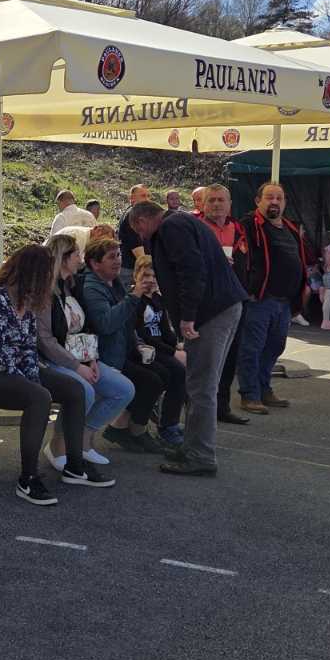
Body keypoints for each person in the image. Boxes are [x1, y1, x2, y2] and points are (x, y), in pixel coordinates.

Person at [0, 245, 91, 506]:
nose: (49, 280)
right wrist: (30, 382)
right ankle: (28, 478)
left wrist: (31, 375)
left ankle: (75, 466)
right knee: (38, 397)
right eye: (46, 274)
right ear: (32, 274)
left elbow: (28, 348)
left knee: (73, 389)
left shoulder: (27, 302)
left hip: (12, 368)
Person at [129, 200, 248, 476]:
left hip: (210, 312)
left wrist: (188, 316)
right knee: (200, 383)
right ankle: (194, 446)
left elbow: (191, 270)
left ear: (142, 221)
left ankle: (201, 455)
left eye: (139, 231)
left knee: (201, 386)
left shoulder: (170, 228)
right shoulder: (183, 221)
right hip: (224, 306)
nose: (142, 237)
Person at [37, 235, 130, 482]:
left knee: (123, 389)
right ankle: (58, 446)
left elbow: (85, 328)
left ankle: (83, 439)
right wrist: (77, 366)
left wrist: (91, 359)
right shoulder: (45, 292)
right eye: (76, 254)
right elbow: (45, 340)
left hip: (80, 356)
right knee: (83, 390)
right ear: (63, 258)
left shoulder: (72, 285)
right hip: (52, 360)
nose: (81, 258)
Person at [77, 237, 158, 454]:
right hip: (104, 355)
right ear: (95, 263)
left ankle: (133, 429)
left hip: (121, 350)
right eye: (112, 257)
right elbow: (106, 324)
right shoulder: (92, 287)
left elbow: (127, 323)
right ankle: (89, 436)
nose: (118, 261)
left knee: (163, 374)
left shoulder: (113, 282)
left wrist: (138, 343)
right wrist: (135, 296)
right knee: (139, 384)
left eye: (119, 255)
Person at [234, 184, 310, 416]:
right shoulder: (248, 225)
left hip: (285, 301)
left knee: (276, 346)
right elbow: (240, 258)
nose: (274, 201)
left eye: (279, 198)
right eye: (269, 197)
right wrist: (248, 289)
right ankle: (250, 394)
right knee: (252, 348)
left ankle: (264, 388)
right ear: (258, 201)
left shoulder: (289, 227)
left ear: (284, 202)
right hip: (260, 300)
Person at [194, 185, 250, 424]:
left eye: (221, 200)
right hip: (206, 304)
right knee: (206, 361)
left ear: (230, 204)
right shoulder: (195, 227)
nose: (217, 204)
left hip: (234, 301)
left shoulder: (238, 229)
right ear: (203, 204)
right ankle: (201, 411)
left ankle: (222, 406)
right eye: (212, 200)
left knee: (230, 356)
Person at [136, 264, 188, 447]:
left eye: (154, 276)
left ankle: (173, 420)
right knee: (177, 371)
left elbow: (165, 330)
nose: (150, 280)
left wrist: (177, 345)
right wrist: (173, 352)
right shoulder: (137, 300)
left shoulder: (158, 299)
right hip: (146, 349)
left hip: (161, 347)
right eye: (146, 275)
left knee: (185, 367)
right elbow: (144, 336)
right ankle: (167, 426)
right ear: (136, 276)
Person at [116, 183, 153, 260]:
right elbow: (139, 254)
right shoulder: (132, 216)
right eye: (143, 196)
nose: (147, 199)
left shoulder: (136, 214)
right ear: (132, 198)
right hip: (133, 265)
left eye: (148, 196)